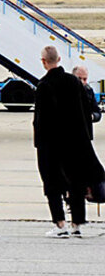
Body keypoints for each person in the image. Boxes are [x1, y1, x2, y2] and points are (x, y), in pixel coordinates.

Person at [34, 46, 104, 238]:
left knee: (52, 184)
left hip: (52, 144)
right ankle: (77, 224)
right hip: (75, 143)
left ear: (44, 61)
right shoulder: (74, 82)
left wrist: (39, 144)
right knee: (76, 183)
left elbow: (41, 120)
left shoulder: (44, 85)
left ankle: (60, 224)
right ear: (59, 59)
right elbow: (84, 113)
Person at [71, 66, 102, 134]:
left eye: (84, 79)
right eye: (79, 78)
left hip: (85, 134)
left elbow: (98, 113)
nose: (81, 82)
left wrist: (91, 116)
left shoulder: (89, 91)